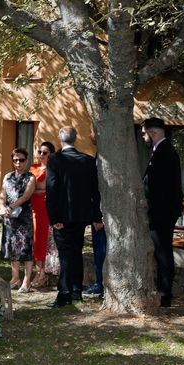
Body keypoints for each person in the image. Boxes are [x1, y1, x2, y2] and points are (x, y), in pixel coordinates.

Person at [45, 126, 101, 308]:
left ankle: (65, 293)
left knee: (65, 255)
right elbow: (95, 191)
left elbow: (51, 188)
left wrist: (53, 218)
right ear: (75, 139)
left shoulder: (55, 159)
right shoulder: (87, 160)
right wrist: (95, 215)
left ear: (60, 139)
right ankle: (76, 290)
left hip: (62, 216)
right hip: (81, 215)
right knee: (76, 252)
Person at [141, 117, 184, 307]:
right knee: (161, 251)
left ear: (153, 132)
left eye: (144, 133)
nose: (143, 137)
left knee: (163, 251)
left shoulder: (165, 152)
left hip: (162, 212)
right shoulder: (161, 151)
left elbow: (161, 186)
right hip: (162, 210)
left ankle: (165, 293)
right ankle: (163, 290)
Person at [0, 148, 36, 293]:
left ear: (26, 161)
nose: (18, 163)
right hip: (10, 218)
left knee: (26, 249)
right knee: (12, 247)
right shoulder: (7, 177)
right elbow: (2, 194)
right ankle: (15, 278)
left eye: (21, 160)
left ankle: (27, 281)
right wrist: (2, 206)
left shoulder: (30, 177)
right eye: (15, 160)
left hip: (24, 218)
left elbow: (26, 196)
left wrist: (10, 207)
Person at [83, 131, 106, 299]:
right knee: (99, 252)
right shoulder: (99, 155)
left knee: (102, 252)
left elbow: (101, 190)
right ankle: (100, 283)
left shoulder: (106, 158)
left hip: (103, 215)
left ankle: (102, 285)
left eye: (93, 131)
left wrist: (99, 216)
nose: (90, 135)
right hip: (97, 213)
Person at [29, 141, 55, 288]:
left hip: (44, 208)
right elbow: (34, 187)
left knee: (41, 239)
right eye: (39, 152)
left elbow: (42, 186)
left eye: (45, 152)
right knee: (34, 239)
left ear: (51, 154)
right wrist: (38, 189)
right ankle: (39, 271)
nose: (41, 155)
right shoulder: (34, 167)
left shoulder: (52, 169)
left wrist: (36, 189)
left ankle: (42, 274)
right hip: (33, 207)